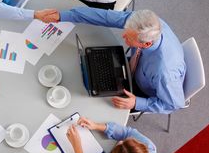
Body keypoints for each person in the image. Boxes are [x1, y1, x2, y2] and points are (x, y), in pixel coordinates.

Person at [56, 8, 186, 114]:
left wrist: (137, 103)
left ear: (146, 44)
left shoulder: (164, 73)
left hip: (142, 90)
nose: (123, 36)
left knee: (88, 104)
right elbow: (106, 17)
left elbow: (173, 105)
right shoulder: (149, 23)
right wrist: (63, 16)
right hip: (133, 67)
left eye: (129, 37)